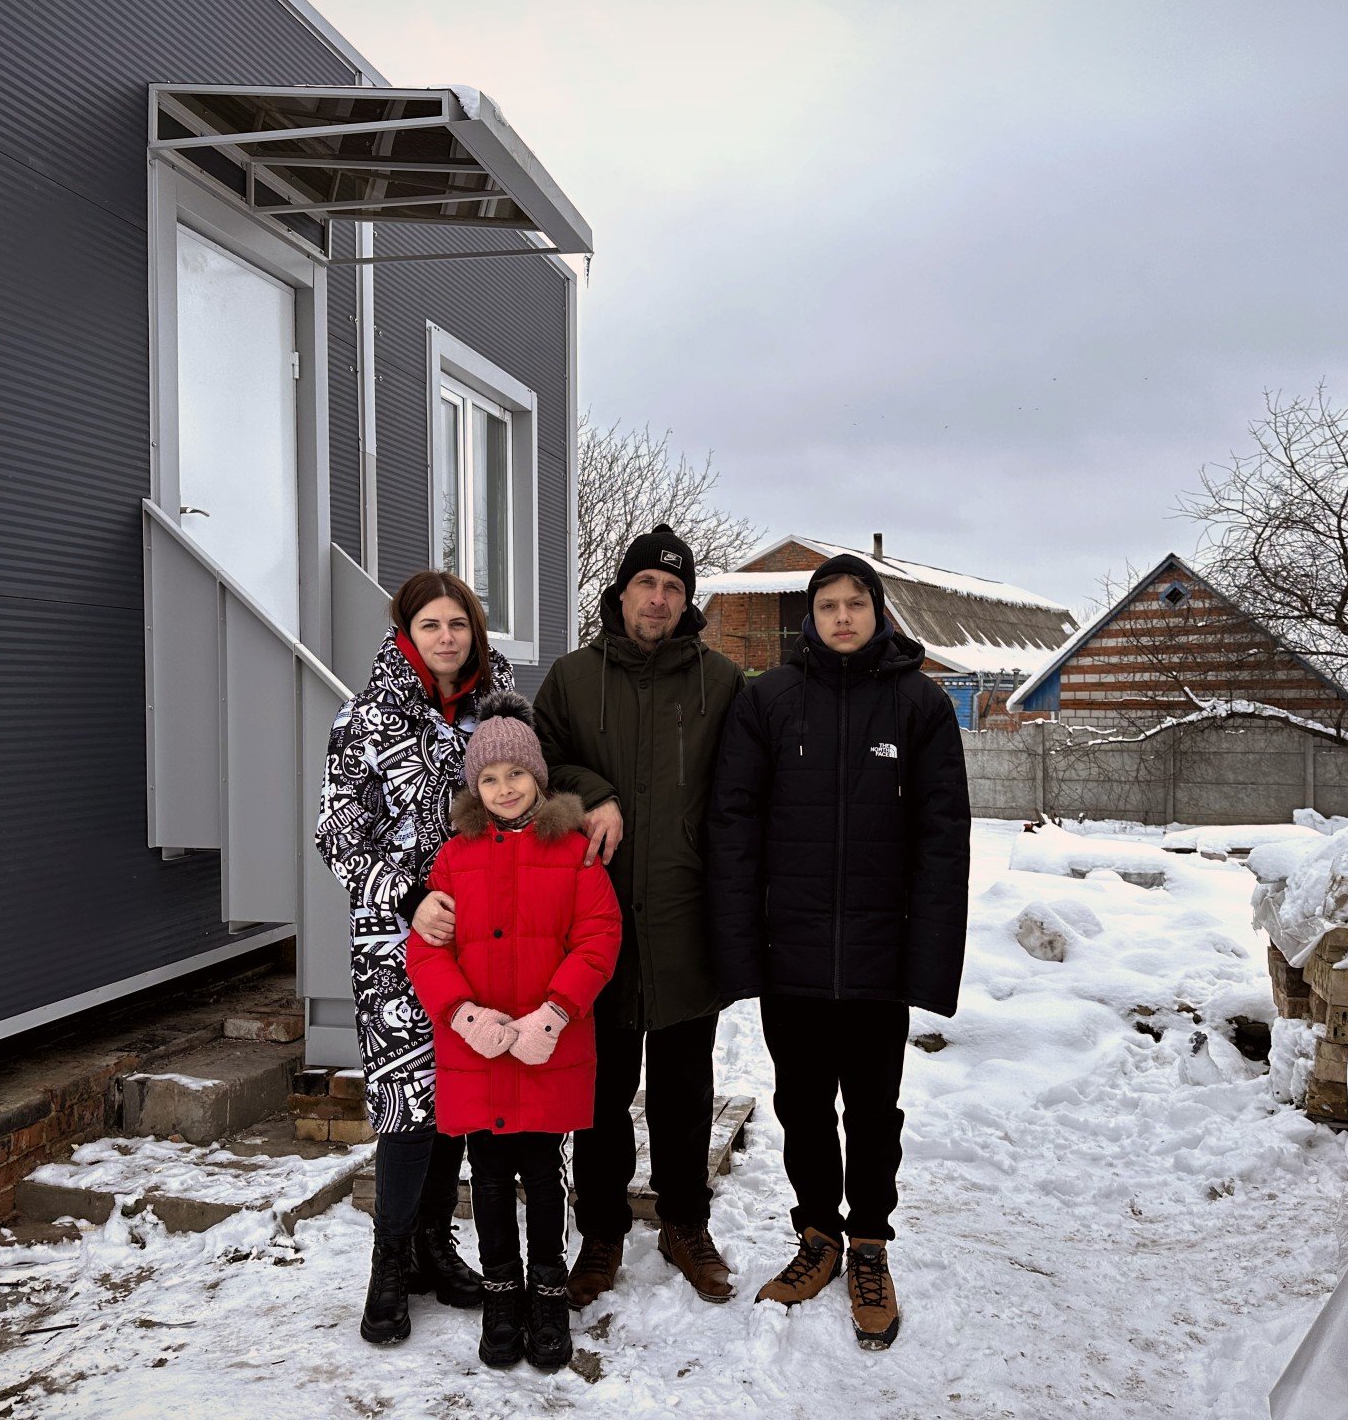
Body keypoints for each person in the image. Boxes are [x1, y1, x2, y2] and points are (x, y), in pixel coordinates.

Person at [706, 552, 971, 1351]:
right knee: (802, 1107)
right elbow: (734, 827)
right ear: (810, 617)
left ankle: (870, 1246)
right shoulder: (772, 700)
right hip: (792, 952)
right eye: (828, 605)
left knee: (873, 1112)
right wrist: (743, 951)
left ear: (878, 611)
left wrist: (926, 961)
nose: (843, 617)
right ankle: (818, 1235)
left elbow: (942, 839)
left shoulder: (919, 705)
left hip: (877, 959)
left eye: (857, 603)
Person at [531, 524, 746, 1307]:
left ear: (686, 603)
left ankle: (687, 1224)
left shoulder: (720, 682)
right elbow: (537, 757)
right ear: (620, 593)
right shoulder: (571, 679)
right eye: (646, 584)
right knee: (600, 1089)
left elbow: (745, 788)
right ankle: (602, 1231)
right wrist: (596, 793)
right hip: (596, 920)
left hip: (688, 916)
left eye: (674, 588)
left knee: (686, 1090)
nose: (658, 598)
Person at [313, 570, 511, 1346]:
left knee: (458, 1097)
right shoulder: (365, 718)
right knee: (405, 1105)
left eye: (457, 623)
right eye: (430, 625)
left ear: (475, 632)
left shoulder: (497, 718)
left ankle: (434, 1244)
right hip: (395, 946)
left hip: (484, 940)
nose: (446, 637)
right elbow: (337, 833)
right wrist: (404, 898)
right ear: (406, 632)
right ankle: (389, 1262)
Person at [406, 692, 623, 1371]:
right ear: (476, 787)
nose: (504, 788)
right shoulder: (454, 857)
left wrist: (556, 1013)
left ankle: (547, 1290)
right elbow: (427, 948)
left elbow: (598, 938)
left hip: (545, 1046)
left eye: (516, 774)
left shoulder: (574, 853)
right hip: (478, 1050)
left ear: (538, 778)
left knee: (543, 1171)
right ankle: (502, 1290)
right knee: (490, 1174)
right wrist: (464, 1016)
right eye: (490, 777)